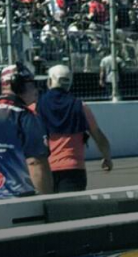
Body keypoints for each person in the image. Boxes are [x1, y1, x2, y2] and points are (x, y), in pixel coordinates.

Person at [0, 64, 52, 200]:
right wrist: (48, 200)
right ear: (18, 85)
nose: (36, 89)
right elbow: (36, 163)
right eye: (32, 84)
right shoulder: (25, 117)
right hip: (19, 199)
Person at [38, 64, 112, 193]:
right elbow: (98, 136)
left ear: (49, 81)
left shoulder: (37, 107)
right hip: (73, 169)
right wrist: (107, 158)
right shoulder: (80, 106)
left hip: (45, 168)